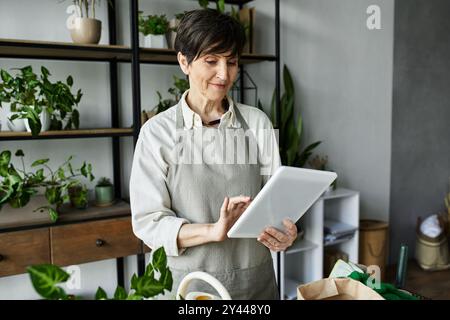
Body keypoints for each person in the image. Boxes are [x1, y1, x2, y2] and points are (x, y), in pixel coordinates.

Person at [130, 9, 297, 300]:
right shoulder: (157, 133)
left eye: (231, 62)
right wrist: (212, 230)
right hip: (188, 286)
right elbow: (148, 224)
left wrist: (285, 233)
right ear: (184, 61)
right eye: (211, 60)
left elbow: (275, 203)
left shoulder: (257, 123)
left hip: (254, 285)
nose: (224, 73)